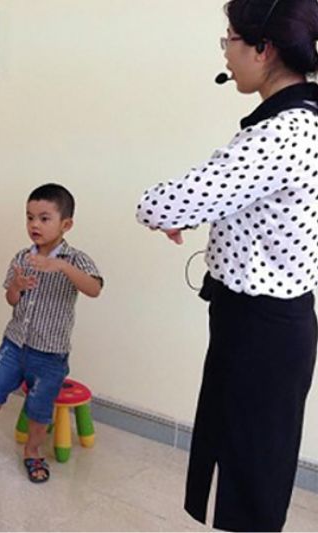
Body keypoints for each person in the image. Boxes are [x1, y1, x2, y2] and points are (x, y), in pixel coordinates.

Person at [136, 0, 318, 529]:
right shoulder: (302, 123)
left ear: (264, 49)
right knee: (252, 466)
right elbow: (243, 197)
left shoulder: (280, 134)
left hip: (259, 331)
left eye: (230, 40)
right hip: (273, 325)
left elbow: (159, 203)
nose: (226, 52)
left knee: (250, 474)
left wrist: (178, 209)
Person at [0, 184, 102, 483]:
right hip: (14, 343)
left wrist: (60, 266)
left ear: (66, 224)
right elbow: (11, 299)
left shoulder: (76, 259)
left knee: (40, 407)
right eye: (29, 218)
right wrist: (17, 287)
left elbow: (94, 288)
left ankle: (33, 451)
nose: (34, 225)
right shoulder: (21, 257)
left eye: (43, 218)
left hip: (50, 353)